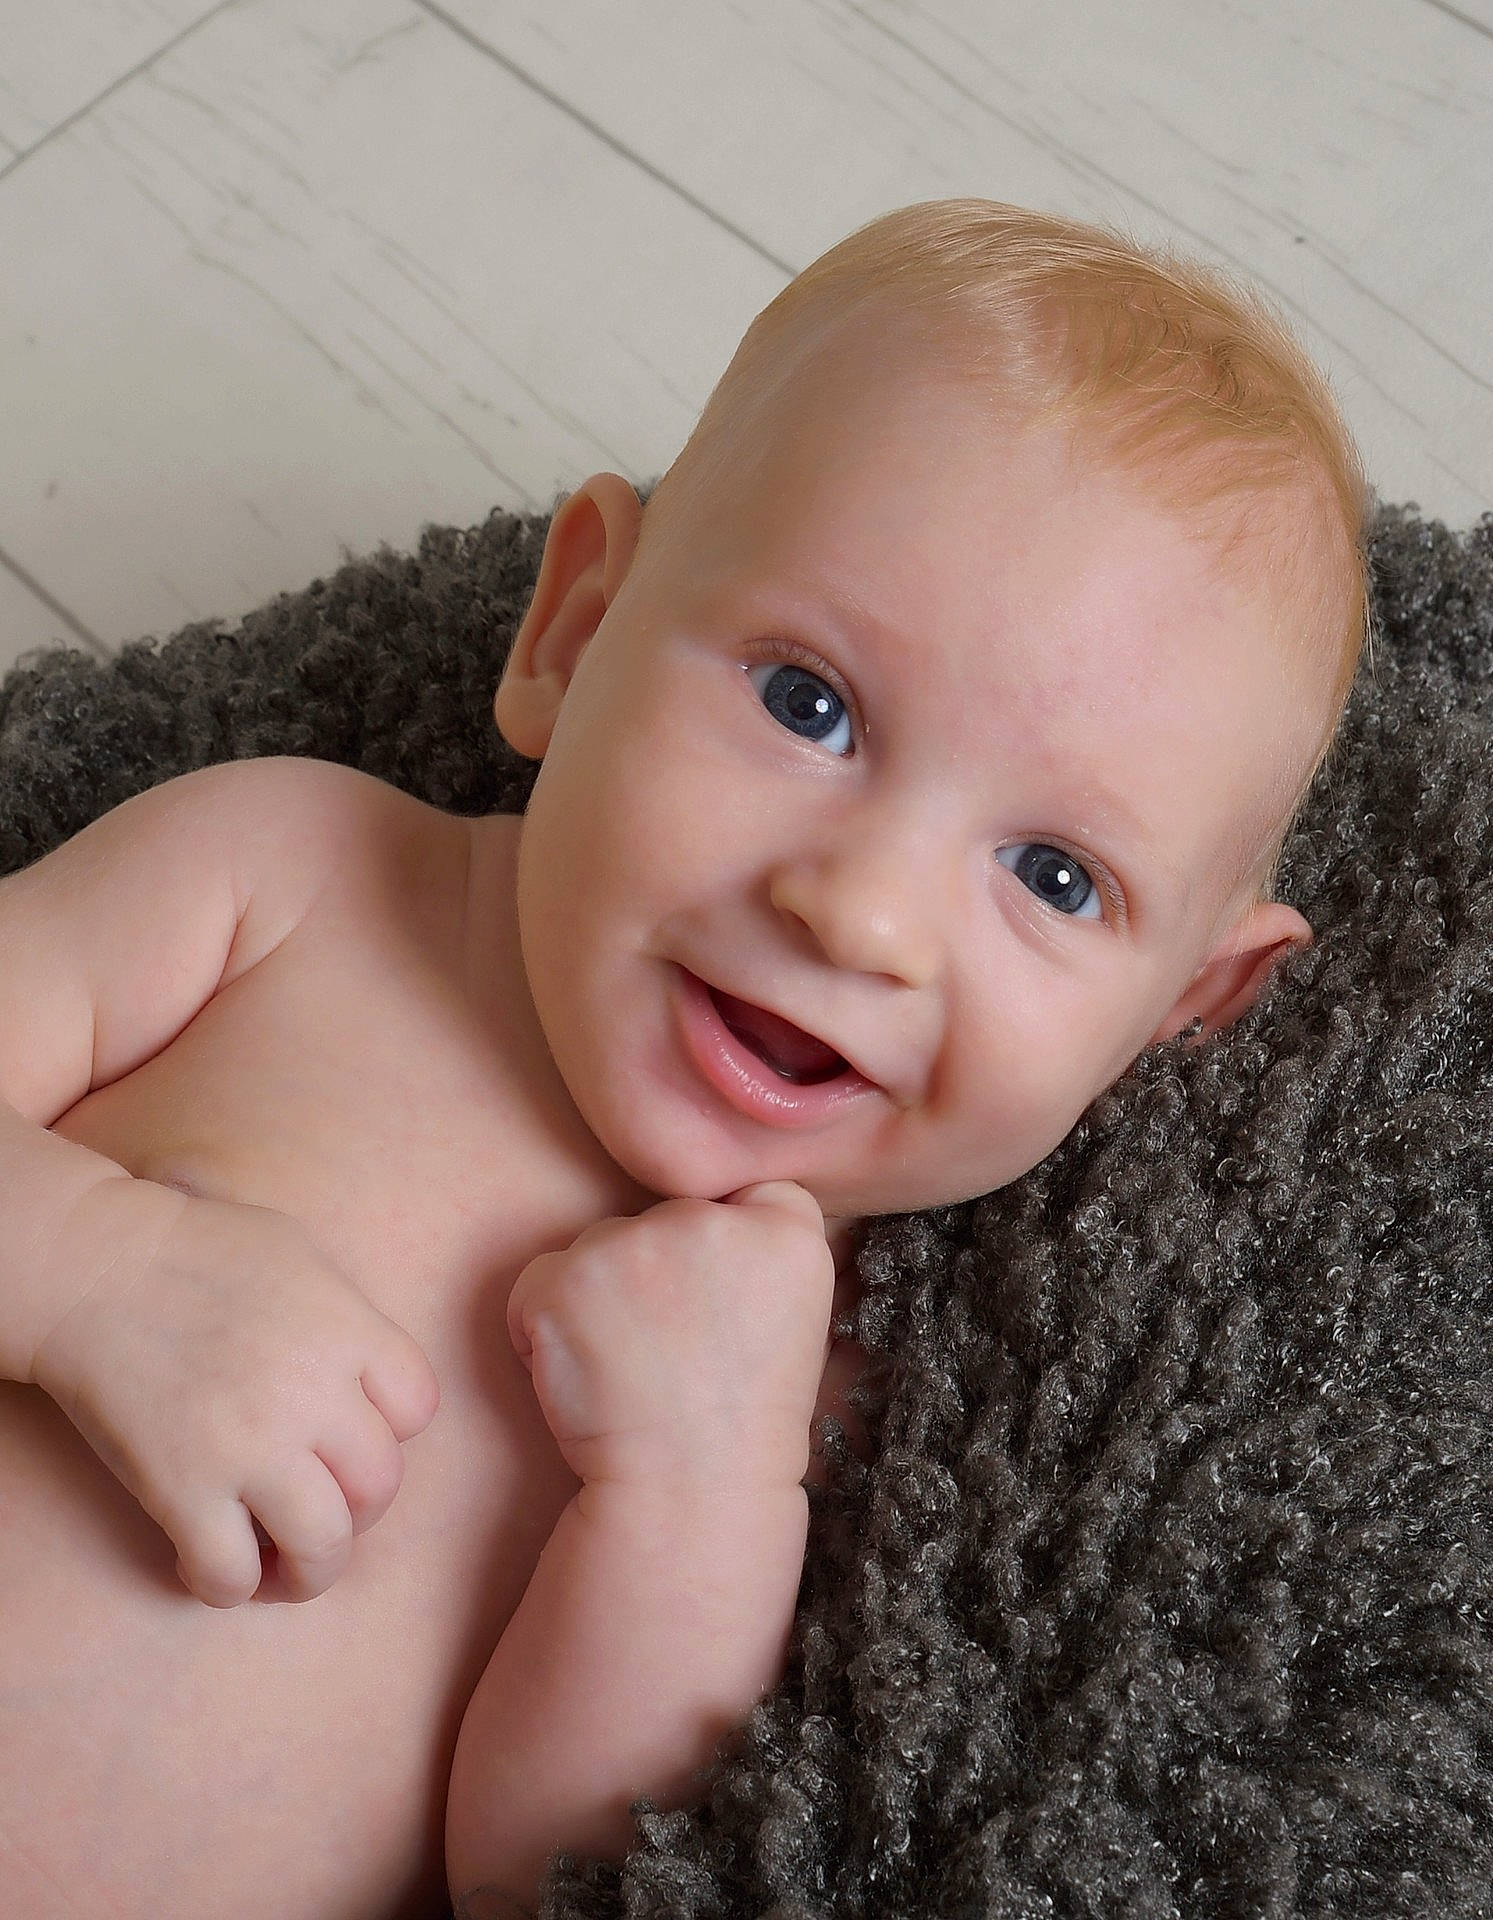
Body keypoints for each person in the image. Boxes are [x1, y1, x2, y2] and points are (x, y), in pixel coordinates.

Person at [0, 198, 1372, 1918]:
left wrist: (691, 1499)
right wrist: (92, 1270)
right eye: (810, 705)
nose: (864, 916)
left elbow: (548, 1871)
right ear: (573, 631)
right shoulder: (291, 877)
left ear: (1178, 1011)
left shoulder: (831, 1385)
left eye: (1055, 877)